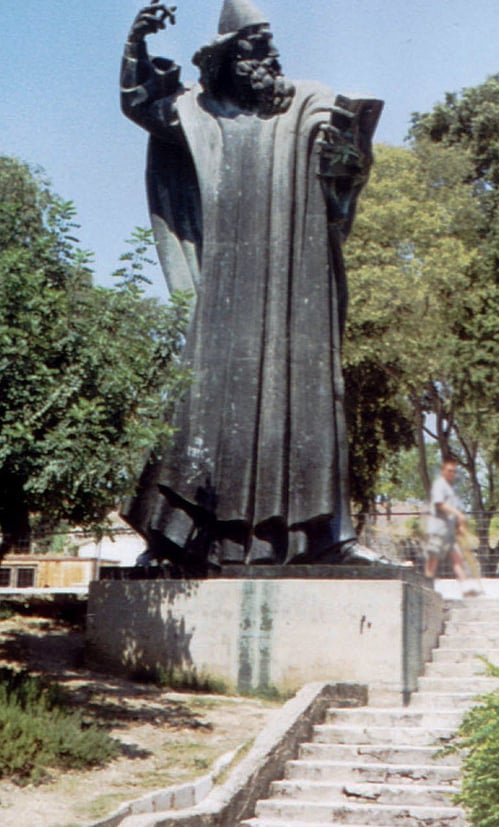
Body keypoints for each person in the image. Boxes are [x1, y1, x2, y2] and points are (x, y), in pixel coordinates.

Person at [119, 0, 383, 571]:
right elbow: (144, 108)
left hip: (297, 280)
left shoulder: (308, 102)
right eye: (256, 47)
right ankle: (176, 539)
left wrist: (347, 153)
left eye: (270, 45)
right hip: (226, 286)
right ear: (227, 59)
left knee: (312, 397)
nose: (270, 56)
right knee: (205, 399)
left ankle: (326, 537)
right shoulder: (198, 111)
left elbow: (346, 170)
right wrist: (135, 47)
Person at [425, 460, 475, 591]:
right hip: (438, 529)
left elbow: (452, 511)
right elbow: (439, 504)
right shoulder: (439, 485)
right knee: (433, 558)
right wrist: (459, 514)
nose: (452, 473)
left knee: (457, 558)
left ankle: (466, 588)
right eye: (449, 470)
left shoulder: (450, 488)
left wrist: (459, 526)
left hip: (449, 531)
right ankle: (426, 585)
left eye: (454, 471)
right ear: (443, 471)